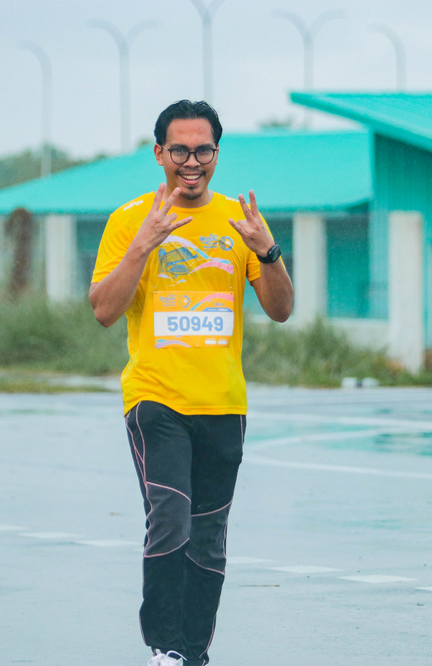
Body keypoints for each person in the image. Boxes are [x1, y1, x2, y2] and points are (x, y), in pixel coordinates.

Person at [90, 100, 294, 666]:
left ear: (217, 154)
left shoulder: (238, 220)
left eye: (203, 150)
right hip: (156, 398)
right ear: (159, 153)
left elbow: (280, 309)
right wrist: (144, 244)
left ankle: (192, 653)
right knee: (170, 519)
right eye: (179, 150)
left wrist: (268, 252)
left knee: (208, 536)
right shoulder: (131, 219)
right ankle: (164, 647)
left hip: (223, 403)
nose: (191, 161)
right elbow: (104, 310)